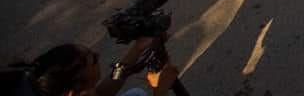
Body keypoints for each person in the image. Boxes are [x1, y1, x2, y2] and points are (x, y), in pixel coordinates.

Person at [13, 37, 179, 96]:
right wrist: (160, 91)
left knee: (136, 94)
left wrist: (137, 48)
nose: (98, 55)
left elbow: (99, 93)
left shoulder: (40, 83)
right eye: (93, 59)